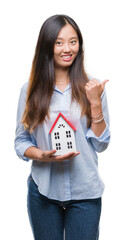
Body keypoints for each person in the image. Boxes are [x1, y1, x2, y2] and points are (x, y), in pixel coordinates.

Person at [14, 14, 110, 240]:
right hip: (43, 193)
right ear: (47, 46)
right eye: (59, 42)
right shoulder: (29, 90)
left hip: (85, 194)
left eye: (73, 41)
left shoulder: (92, 87)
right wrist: (42, 155)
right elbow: (21, 141)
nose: (67, 48)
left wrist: (95, 102)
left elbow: (101, 144)